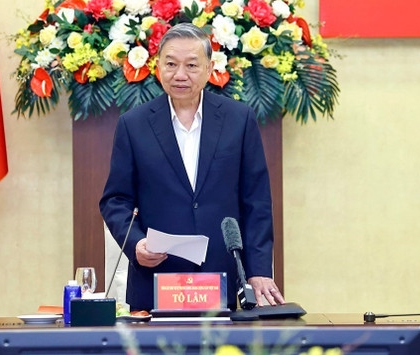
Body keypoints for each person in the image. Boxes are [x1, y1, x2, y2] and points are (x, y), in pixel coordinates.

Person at [99, 23, 285, 311]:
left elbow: (256, 201)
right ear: (157, 66)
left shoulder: (239, 119)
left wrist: (258, 270)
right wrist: (136, 244)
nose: (180, 75)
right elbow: (116, 200)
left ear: (209, 69)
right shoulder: (133, 124)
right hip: (155, 279)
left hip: (219, 277)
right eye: (171, 64)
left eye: (191, 65)